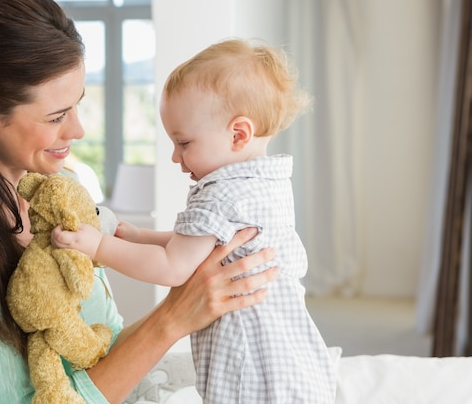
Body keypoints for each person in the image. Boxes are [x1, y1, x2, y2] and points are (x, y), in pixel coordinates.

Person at [0, 0, 279, 404]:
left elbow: (98, 355)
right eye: (56, 117)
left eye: (76, 107)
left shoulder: (62, 198)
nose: (77, 131)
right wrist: (172, 318)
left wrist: (193, 311)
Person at [53, 39, 337, 403]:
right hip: (291, 354)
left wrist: (99, 246)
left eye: (184, 143)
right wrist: (141, 236)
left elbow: (174, 268)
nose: (175, 156)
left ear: (238, 134)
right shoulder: (267, 183)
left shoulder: (219, 193)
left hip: (250, 362)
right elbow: (201, 244)